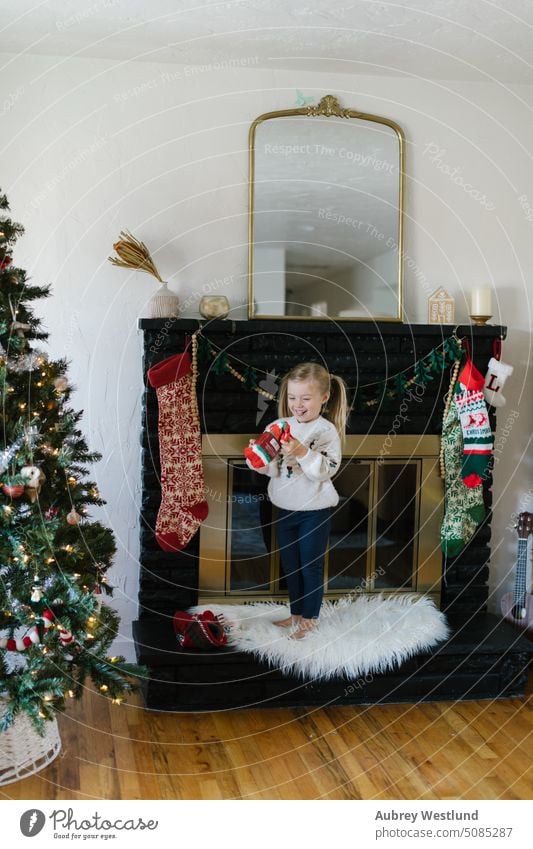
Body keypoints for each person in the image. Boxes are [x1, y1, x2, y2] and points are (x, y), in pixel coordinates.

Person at [246, 362, 348, 640]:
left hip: (313, 512)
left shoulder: (326, 431)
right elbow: (270, 467)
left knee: (309, 565)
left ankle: (310, 618)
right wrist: (258, 459)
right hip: (284, 509)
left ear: (323, 398)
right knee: (290, 564)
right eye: (292, 398)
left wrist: (303, 452)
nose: (297, 404)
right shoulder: (278, 426)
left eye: (305, 398)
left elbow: (327, 470)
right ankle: (295, 613)